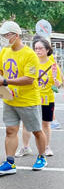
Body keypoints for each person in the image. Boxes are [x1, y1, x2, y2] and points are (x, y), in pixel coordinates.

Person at [0, 20, 46, 173]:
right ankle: (10, 162)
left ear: (16, 35)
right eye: (3, 35)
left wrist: (6, 81)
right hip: (9, 99)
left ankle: (42, 157)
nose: (5, 38)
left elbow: (29, 79)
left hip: (28, 101)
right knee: (10, 130)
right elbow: (1, 70)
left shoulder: (29, 54)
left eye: (7, 35)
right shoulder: (4, 52)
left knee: (36, 130)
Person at [32, 37, 62, 158]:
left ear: (47, 49)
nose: (37, 51)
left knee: (45, 124)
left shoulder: (53, 66)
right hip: (33, 98)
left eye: (40, 48)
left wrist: (56, 82)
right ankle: (38, 148)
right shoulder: (32, 62)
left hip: (47, 98)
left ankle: (46, 146)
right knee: (35, 126)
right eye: (35, 48)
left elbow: (58, 84)